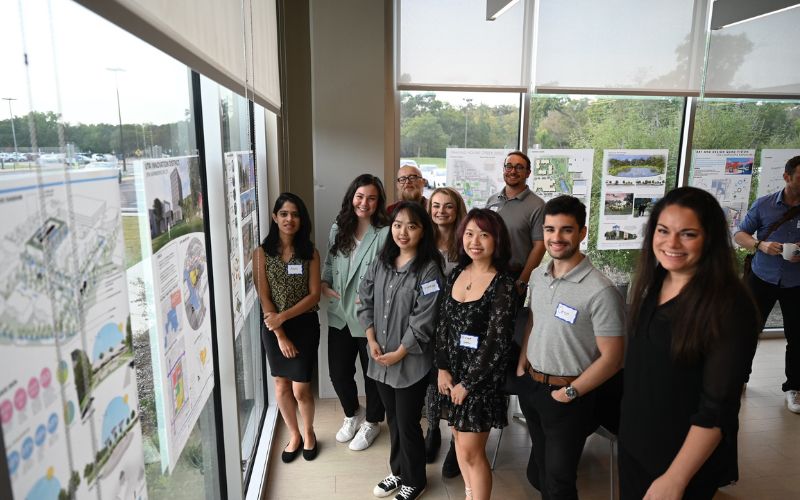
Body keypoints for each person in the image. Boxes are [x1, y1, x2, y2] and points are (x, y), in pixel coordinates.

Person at [620, 187, 759, 499]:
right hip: (636, 445)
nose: (671, 243)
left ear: (709, 238)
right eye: (663, 231)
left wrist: (675, 478)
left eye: (688, 234)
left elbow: (717, 408)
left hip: (680, 461)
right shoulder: (654, 282)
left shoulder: (729, 306)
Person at [516, 195, 625, 499]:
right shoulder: (538, 275)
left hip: (569, 397)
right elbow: (533, 320)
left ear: (582, 233)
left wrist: (571, 392)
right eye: (550, 230)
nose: (556, 238)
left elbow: (613, 358)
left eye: (566, 230)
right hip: (534, 388)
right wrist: (522, 364)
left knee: (560, 481)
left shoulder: (601, 290)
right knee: (540, 471)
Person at [358, 201, 443, 500]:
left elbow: (424, 320)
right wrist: (370, 339)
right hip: (379, 359)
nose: (402, 232)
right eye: (397, 225)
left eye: (412, 225)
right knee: (392, 419)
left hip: (409, 363)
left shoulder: (429, 270)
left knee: (407, 423)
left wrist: (399, 353)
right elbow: (364, 298)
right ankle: (398, 471)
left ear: (423, 231)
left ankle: (415, 480)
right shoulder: (381, 262)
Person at [434, 208, 516, 500]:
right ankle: (470, 494)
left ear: (497, 240)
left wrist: (467, 384)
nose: (475, 241)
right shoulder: (458, 271)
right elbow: (442, 323)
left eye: (484, 234)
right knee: (457, 437)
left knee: (471, 452)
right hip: (451, 375)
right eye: (469, 234)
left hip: (479, 382)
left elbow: (497, 343)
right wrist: (443, 369)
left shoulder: (503, 284)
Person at [322, 174, 389, 451]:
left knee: (371, 374)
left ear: (378, 202)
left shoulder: (385, 232)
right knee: (338, 373)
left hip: (369, 315)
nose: (365, 202)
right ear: (352, 197)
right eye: (360, 196)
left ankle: (372, 421)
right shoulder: (339, 227)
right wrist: (325, 284)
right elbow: (329, 259)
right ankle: (353, 413)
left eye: (371, 198)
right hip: (339, 312)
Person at [254, 193, 322, 463]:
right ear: (275, 217)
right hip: (274, 329)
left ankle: (309, 432)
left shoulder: (310, 252)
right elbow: (264, 296)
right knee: (281, 385)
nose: (289, 219)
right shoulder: (261, 253)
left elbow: (314, 295)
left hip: (304, 324)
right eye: (284, 214)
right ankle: (293, 434)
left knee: (301, 389)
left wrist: (283, 318)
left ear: (301, 220)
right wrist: (279, 331)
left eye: (295, 214)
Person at [733, 155, 800, 414]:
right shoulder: (764, 205)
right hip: (762, 277)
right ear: (787, 177)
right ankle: (740, 378)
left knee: (798, 336)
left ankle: (794, 387)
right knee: (748, 331)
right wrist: (761, 245)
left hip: (796, 283)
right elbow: (739, 234)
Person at [423, 186, 468, 462]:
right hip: (428, 321)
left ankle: (456, 439)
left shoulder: (466, 242)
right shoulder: (422, 242)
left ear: (457, 209)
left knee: (456, 377)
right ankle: (433, 430)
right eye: (436, 206)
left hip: (459, 325)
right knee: (432, 379)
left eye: (448, 206)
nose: (441, 211)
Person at [485, 150, 546, 295]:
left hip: (514, 276)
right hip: (486, 272)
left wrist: (523, 280)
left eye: (519, 167)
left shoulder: (538, 205)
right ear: (504, 170)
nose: (513, 171)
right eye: (509, 166)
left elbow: (540, 246)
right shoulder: (492, 200)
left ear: (528, 173)